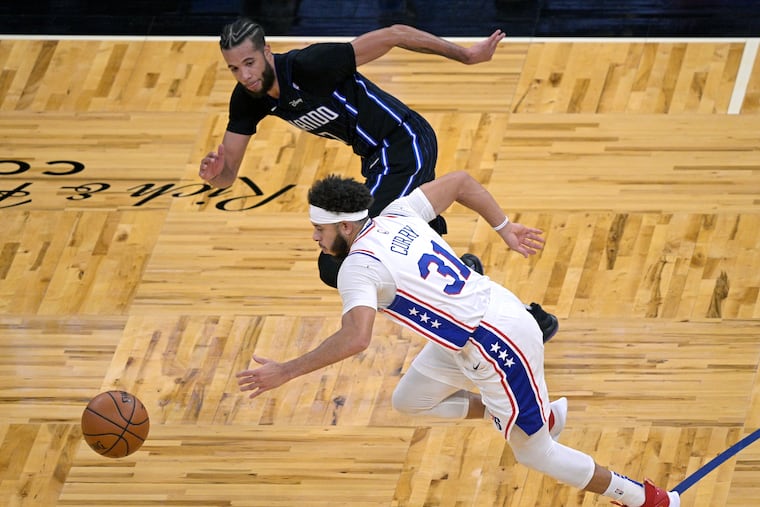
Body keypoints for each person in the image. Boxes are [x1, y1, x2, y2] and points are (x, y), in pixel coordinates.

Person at [236, 170, 680, 507]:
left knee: (535, 454)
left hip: (494, 344)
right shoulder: (396, 213)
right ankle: (531, 413)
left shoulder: (357, 267)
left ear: (346, 228)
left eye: (320, 229)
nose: (315, 236)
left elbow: (356, 338)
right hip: (482, 322)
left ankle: (647, 498)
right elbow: (462, 181)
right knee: (409, 400)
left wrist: (285, 371)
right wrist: (504, 226)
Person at [198, 17, 558, 340]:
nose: (244, 75)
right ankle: (504, 304)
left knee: (341, 256)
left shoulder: (311, 66)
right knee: (371, 255)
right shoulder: (248, 99)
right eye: (234, 69)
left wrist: (465, 56)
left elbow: (395, 34)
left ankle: (484, 305)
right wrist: (216, 175)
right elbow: (227, 177)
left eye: (249, 63)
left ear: (267, 52)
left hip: (404, 143)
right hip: (376, 161)